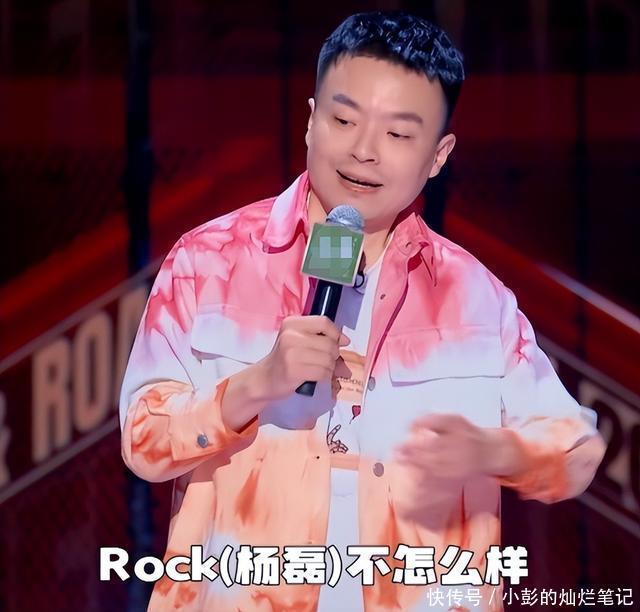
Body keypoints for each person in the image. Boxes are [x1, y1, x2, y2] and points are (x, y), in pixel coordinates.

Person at [119, 11, 605, 612]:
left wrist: (496, 453)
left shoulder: (476, 297)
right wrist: (254, 385)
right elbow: (141, 439)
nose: (364, 151)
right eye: (344, 120)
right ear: (310, 120)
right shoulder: (208, 261)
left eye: (398, 135)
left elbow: (578, 450)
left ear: (439, 155)